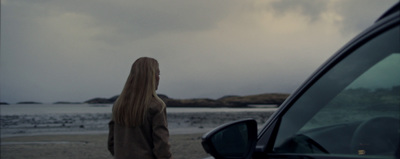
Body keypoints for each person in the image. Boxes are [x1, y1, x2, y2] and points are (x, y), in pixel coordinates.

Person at [108, 57, 172, 159]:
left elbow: (112, 143)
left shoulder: (118, 105)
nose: (158, 78)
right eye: (157, 73)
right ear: (151, 77)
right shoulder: (156, 106)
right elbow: (162, 148)